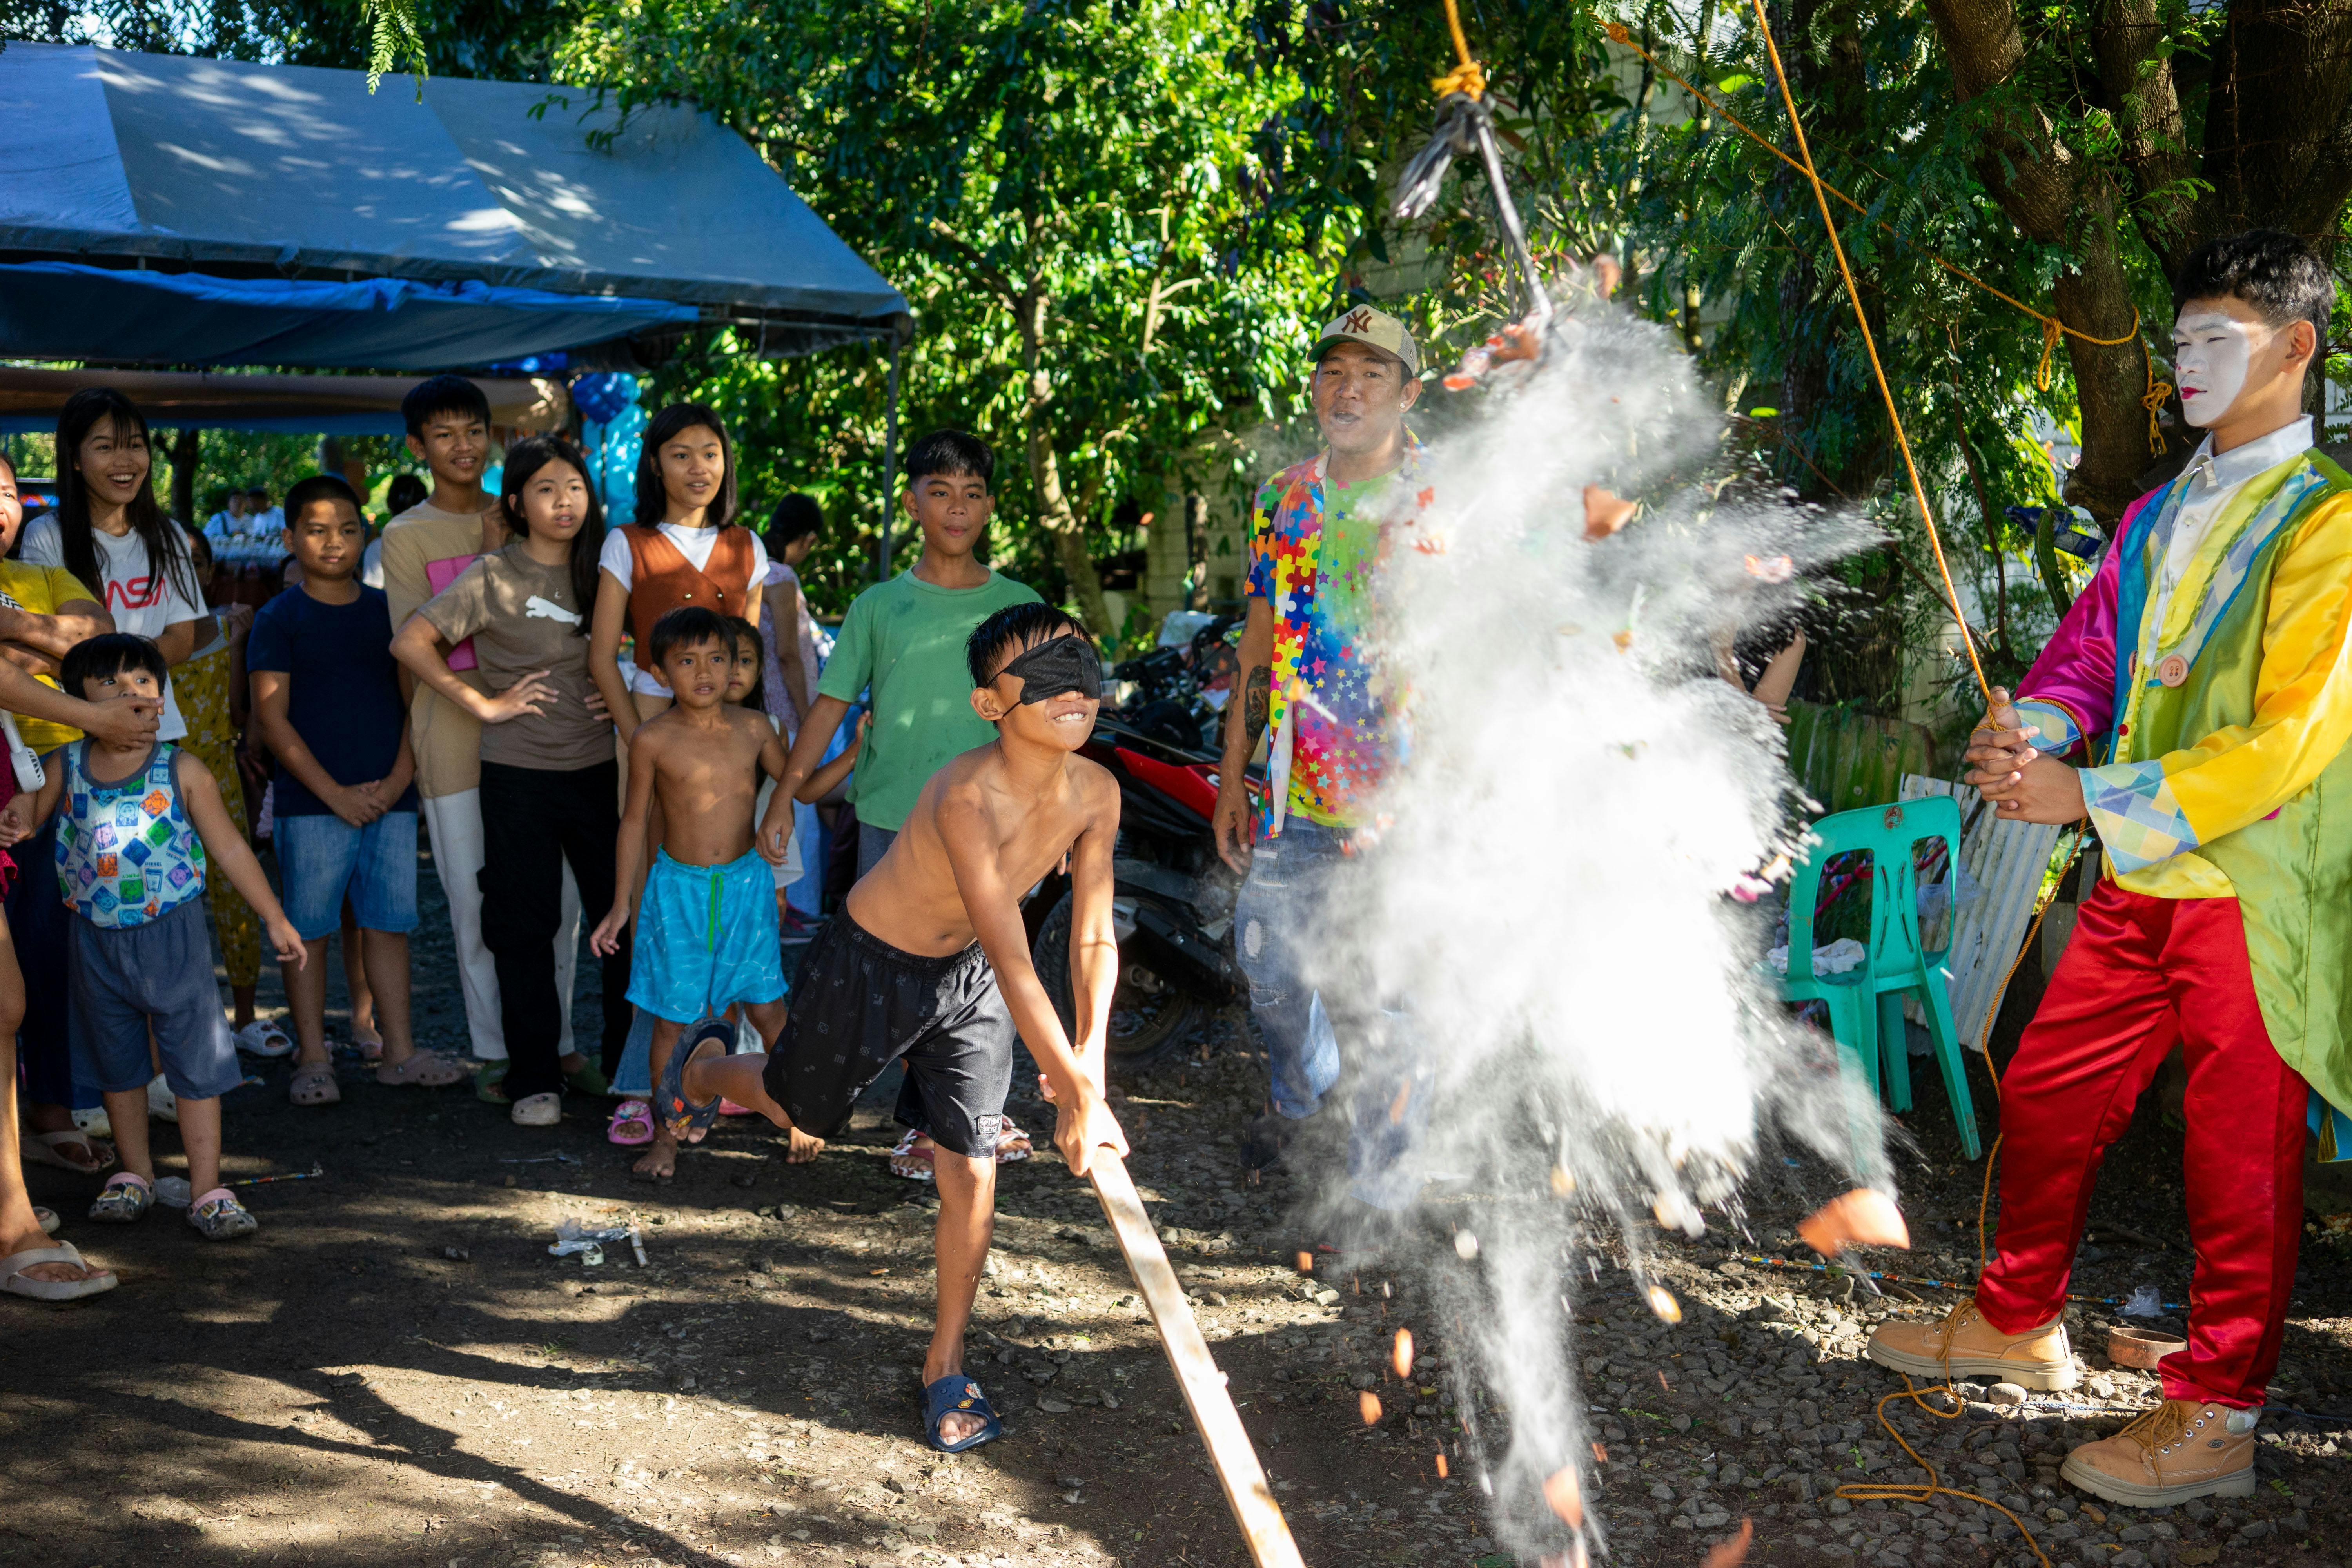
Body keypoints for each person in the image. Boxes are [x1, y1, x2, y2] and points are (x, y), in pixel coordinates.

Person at [1865, 231, 2352, 1510]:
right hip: (2143, 879)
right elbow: (2091, 656)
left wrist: (2087, 793)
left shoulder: (2332, 525)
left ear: (2296, 348)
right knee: (2046, 1089)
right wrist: (2030, 728)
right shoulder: (2160, 510)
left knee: (2238, 1161)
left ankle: (2219, 1415)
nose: (2186, 362)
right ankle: (2017, 1320)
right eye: (2180, 338)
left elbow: (2290, 741)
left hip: (2259, 892)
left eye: (2216, 338)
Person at [706, 603, 1128, 1452]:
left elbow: (1091, 936)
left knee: (971, 1166)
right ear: (989, 704)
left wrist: (1089, 1065)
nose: (1072, 689)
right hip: (872, 963)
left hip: (968, 981)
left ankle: (946, 1363)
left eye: (1082, 668)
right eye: (1044, 673)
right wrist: (1072, 1090)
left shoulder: (1098, 792)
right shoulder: (964, 795)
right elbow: (1016, 953)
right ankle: (709, 1067)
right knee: (799, 1111)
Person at [1209, 306, 1439, 1220]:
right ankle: (1306, 1099)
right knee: (1268, 966)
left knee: (1399, 1000)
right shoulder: (1283, 498)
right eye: (1333, 372)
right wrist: (1234, 774)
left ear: (1408, 395)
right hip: (1293, 791)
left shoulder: (1444, 500)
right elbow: (1257, 642)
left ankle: (1385, 1189)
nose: (1348, 391)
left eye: (1372, 374)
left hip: (1411, 799)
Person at [0, 633, 305, 1240]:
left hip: (175, 938)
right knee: (119, 1067)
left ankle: (207, 1189)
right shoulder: (65, 764)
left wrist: (274, 915)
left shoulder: (181, 768)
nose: (129, 692)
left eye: (141, 679)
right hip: (93, 939)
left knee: (195, 1065)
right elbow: (31, 811)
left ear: (162, 695)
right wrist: (20, 817)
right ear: (77, 701)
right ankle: (134, 1175)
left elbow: (230, 848)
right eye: (109, 683)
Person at [394, 436, 628, 1127]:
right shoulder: (492, 575)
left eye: (575, 487)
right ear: (518, 504)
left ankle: (629, 1072)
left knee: (625, 919)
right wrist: (484, 704)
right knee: (524, 927)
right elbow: (410, 642)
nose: (564, 502)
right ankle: (534, 1077)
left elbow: (649, 645)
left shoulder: (606, 568)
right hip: (518, 774)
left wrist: (616, 687)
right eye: (546, 490)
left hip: (600, 771)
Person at [380, 376, 581, 1094]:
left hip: (545, 736)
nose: (462, 446)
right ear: (418, 447)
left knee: (559, 903)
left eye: (472, 431)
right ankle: (497, 1050)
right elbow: (421, 644)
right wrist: (491, 557)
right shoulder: (404, 535)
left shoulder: (531, 507)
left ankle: (558, 1047)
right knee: (476, 906)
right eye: (444, 435)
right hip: (454, 737)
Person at [249, 474, 465, 1106]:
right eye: (316, 531)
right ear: (289, 539)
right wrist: (335, 795)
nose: (334, 542)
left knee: (388, 926)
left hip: (389, 801)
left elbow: (416, 706)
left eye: (347, 529)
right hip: (312, 806)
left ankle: (399, 1053)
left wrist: (399, 782)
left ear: (365, 534)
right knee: (308, 933)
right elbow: (272, 719)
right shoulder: (279, 618)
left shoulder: (390, 614)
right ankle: (313, 1057)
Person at [773, 431, 1040, 882]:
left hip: (995, 816)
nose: (958, 507)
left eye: (973, 494)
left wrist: (1054, 809)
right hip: (889, 816)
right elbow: (829, 707)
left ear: (989, 507)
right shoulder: (875, 607)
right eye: (941, 492)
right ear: (912, 505)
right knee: (882, 929)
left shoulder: (1024, 607)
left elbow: (1043, 717)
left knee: (985, 931)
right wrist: (782, 799)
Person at [588, 607, 793, 1179]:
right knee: (671, 1023)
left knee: (768, 1009)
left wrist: (855, 751)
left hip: (746, 889)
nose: (704, 672)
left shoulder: (757, 729)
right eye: (686, 661)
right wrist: (621, 905)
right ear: (660, 673)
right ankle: (668, 1138)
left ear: (734, 666)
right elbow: (634, 821)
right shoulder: (652, 738)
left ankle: (801, 1114)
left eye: (717, 658)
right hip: (676, 894)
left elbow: (796, 784)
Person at [0, 450, 119, 1176]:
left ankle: (49, 1108)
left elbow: (96, 644)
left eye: (7, 491)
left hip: (57, 782)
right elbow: (60, 658)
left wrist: (10, 623)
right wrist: (46, 651)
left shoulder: (43, 575)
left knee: (48, 953)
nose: (0, 506)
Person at [588, 402, 769, 744]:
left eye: (710, 455)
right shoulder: (626, 543)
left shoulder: (748, 546)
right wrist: (637, 739)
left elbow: (746, 656)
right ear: (655, 464)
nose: (699, 468)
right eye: (682, 456)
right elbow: (601, 657)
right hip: (652, 714)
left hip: (726, 723)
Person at [178, 531, 277, 1053]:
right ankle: (183, 1024)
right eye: (174, 560)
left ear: (211, 572)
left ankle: (246, 1019)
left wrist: (238, 644)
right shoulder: (136, 633)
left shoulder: (227, 628)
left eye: (196, 561)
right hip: (156, 785)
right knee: (168, 904)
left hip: (218, 776)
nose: (186, 570)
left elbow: (240, 714)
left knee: (236, 897)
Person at [759, 493, 824, 738]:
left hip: (757, 704)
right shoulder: (782, 577)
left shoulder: (753, 569)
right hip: (785, 711)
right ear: (809, 539)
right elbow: (787, 653)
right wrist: (805, 713)